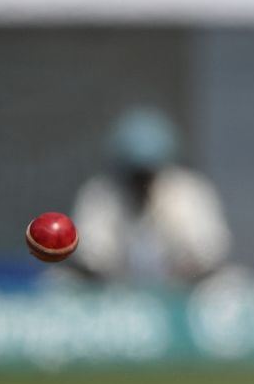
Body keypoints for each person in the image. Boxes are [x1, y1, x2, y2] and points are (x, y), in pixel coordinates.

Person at [71, 108, 232, 285]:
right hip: (116, 293)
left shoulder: (186, 191)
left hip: (184, 291)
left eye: (147, 174)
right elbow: (91, 254)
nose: (141, 183)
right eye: (135, 175)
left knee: (229, 284)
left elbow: (208, 251)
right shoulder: (102, 195)